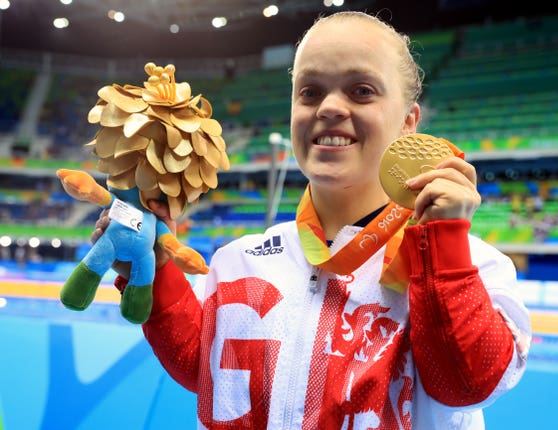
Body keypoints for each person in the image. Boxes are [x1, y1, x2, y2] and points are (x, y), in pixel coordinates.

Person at [93, 10, 530, 429]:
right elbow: (207, 374)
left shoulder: (471, 266)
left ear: (408, 123)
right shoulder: (240, 260)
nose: (329, 107)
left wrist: (444, 247)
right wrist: (155, 269)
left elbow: (465, 384)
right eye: (310, 91)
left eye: (361, 90)